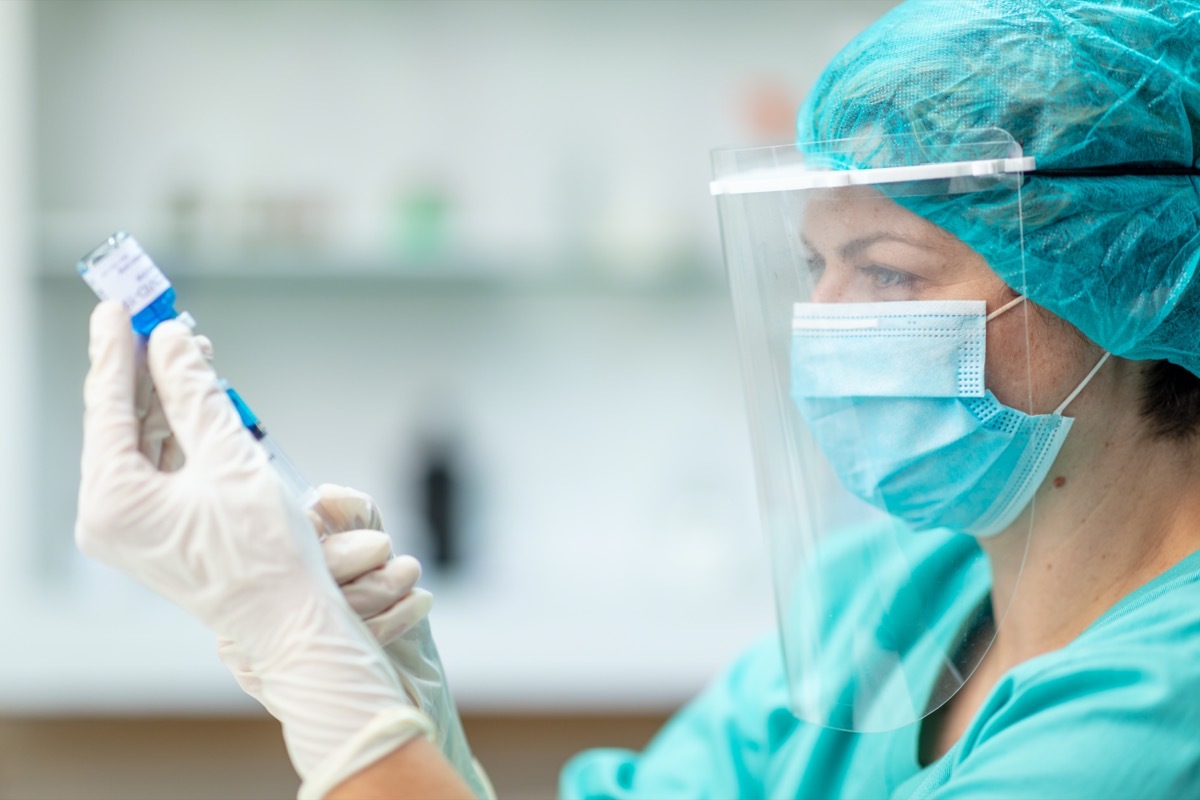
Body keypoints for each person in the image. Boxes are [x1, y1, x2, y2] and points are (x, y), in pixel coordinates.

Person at [75, 0, 1200, 797]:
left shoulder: (1160, 712)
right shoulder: (887, 604)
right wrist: (395, 701)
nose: (827, 321)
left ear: (1120, 281)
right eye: (816, 268)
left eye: (890, 270)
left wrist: (304, 655)